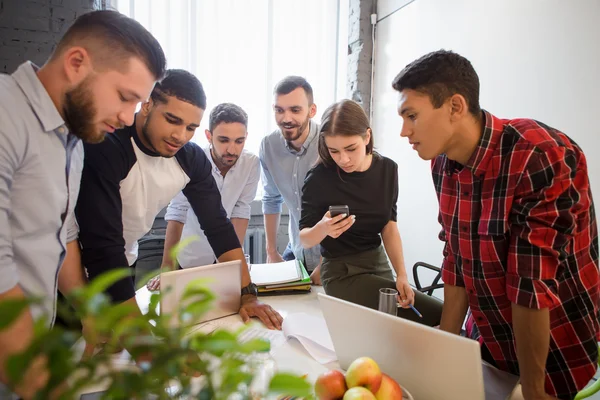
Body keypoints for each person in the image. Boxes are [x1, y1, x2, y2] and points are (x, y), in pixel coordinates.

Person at [392, 49, 599, 400]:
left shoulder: (538, 153)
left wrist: (532, 390)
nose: (403, 131)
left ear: (455, 107)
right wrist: (445, 348)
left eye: (412, 115)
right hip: (491, 338)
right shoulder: (443, 165)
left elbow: (530, 284)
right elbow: (456, 258)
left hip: (557, 346)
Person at [0, 10, 166, 399]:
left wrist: (90, 313)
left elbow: (65, 235)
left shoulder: (73, 138)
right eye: (125, 97)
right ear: (76, 63)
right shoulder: (6, 112)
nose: (128, 118)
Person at [74, 69, 283, 331]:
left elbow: (218, 225)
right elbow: (101, 243)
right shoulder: (108, 146)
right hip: (72, 266)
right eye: (172, 120)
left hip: (124, 256)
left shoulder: (190, 158)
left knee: (115, 350)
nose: (180, 136)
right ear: (147, 104)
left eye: (190, 128)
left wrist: (248, 293)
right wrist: (141, 338)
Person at [298, 99, 443, 327]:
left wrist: (402, 275)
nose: (343, 159)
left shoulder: (387, 170)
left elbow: (389, 226)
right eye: (333, 150)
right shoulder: (318, 178)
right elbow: (305, 239)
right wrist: (323, 229)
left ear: (367, 137)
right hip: (341, 272)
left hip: (378, 262)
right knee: (413, 319)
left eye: (350, 148)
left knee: (439, 314)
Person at [146, 103, 259, 289]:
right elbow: (177, 212)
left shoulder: (251, 163)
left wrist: (233, 265)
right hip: (189, 255)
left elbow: (241, 210)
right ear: (209, 136)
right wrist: (167, 268)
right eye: (223, 140)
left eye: (239, 141)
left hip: (225, 256)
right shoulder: (193, 160)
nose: (232, 149)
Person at [260, 76, 321, 280]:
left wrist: (325, 264)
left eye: (295, 110)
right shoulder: (269, 145)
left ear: (311, 111)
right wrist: (271, 251)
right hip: (296, 250)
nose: (286, 118)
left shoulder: (329, 142)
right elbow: (271, 199)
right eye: (279, 110)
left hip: (330, 256)